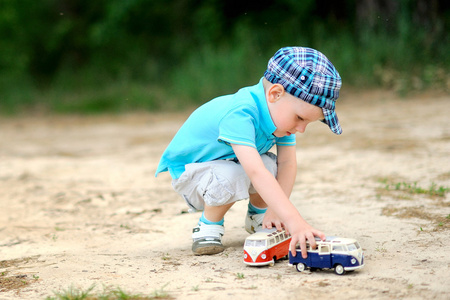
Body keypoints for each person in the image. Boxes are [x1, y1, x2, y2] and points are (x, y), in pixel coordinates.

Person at [155, 46, 342, 259]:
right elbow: (255, 172)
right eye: (300, 118)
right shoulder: (241, 113)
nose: (301, 128)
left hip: (227, 166)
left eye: (308, 122)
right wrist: (294, 221)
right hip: (191, 175)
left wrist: (276, 211)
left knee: (271, 165)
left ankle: (258, 218)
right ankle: (208, 225)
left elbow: (288, 164)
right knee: (239, 173)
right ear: (275, 94)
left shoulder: (282, 118)